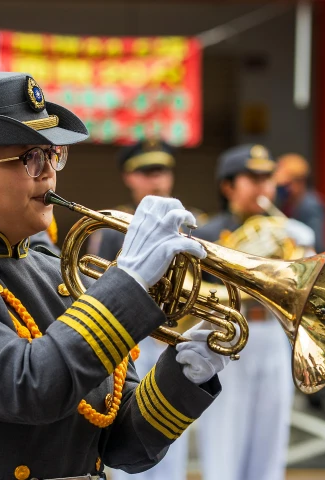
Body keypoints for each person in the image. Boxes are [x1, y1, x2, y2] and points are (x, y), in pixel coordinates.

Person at [0, 71, 230, 479]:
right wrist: (130, 284)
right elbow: (29, 387)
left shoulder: (59, 269)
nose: (48, 171)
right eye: (28, 158)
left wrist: (184, 373)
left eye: (53, 155)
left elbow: (125, 447)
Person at [191, 144, 314, 480]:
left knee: (270, 444)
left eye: (267, 178)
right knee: (224, 443)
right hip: (226, 339)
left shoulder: (286, 232)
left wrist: (307, 257)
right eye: (253, 178)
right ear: (228, 186)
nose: (263, 187)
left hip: (274, 336)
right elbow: (191, 295)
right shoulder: (209, 233)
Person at [91, 139, 191, 480]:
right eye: (147, 172)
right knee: (124, 430)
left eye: (162, 171)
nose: (157, 180)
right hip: (129, 342)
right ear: (129, 177)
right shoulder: (111, 229)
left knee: (169, 438)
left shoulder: (192, 227)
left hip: (169, 339)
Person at [273, 153, 325, 252]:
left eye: (287, 184)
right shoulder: (288, 203)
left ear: (299, 182)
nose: (282, 189)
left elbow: (317, 243)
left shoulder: (311, 205)